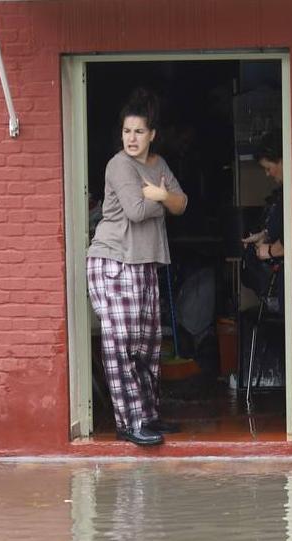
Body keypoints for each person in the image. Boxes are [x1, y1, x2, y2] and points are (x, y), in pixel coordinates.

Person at [87, 89, 188, 447]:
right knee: (121, 343)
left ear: (152, 135)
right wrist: (161, 201)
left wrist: (160, 197)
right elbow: (135, 210)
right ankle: (128, 422)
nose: (131, 138)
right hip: (113, 260)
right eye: (127, 131)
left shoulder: (158, 165)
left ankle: (148, 415)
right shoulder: (119, 165)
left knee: (148, 345)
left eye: (138, 132)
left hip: (145, 263)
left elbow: (182, 203)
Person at [242, 134, 285, 314]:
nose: (267, 174)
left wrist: (267, 251)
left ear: (282, 161)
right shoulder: (284, 193)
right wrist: (263, 236)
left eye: (268, 168)